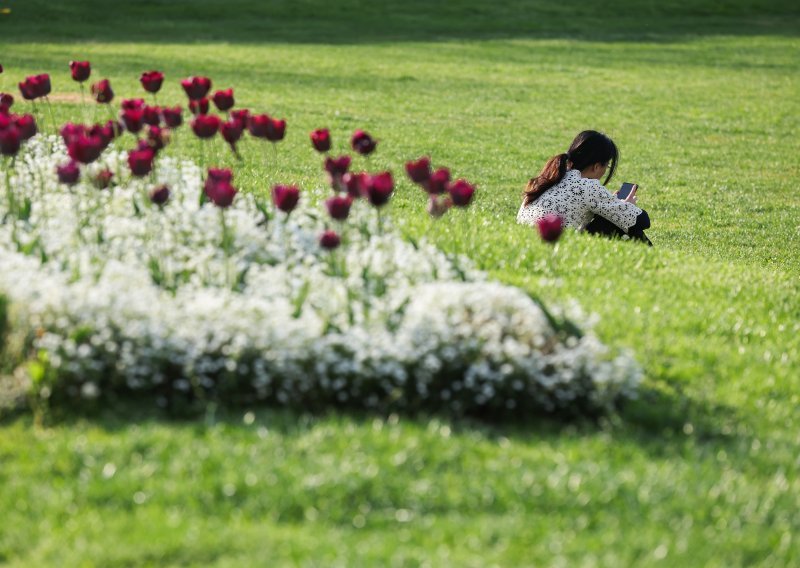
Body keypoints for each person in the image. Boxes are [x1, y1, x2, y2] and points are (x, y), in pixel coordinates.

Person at [517, 130, 651, 244]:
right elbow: (642, 220)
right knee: (618, 221)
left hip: (526, 242)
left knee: (614, 217)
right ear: (597, 166)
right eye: (607, 166)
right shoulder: (587, 187)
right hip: (558, 246)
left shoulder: (548, 178)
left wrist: (615, 205)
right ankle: (655, 264)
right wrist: (627, 206)